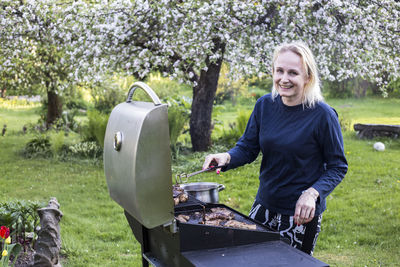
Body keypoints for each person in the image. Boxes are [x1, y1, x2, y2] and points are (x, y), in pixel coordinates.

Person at [202, 41, 348, 255]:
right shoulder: (264, 105)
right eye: (279, 70)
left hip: (300, 213)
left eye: (293, 73)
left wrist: (312, 194)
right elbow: (248, 148)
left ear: (307, 77)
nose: (284, 79)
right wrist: (226, 157)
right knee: (251, 259)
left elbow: (337, 167)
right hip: (265, 203)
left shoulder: (323, 115)